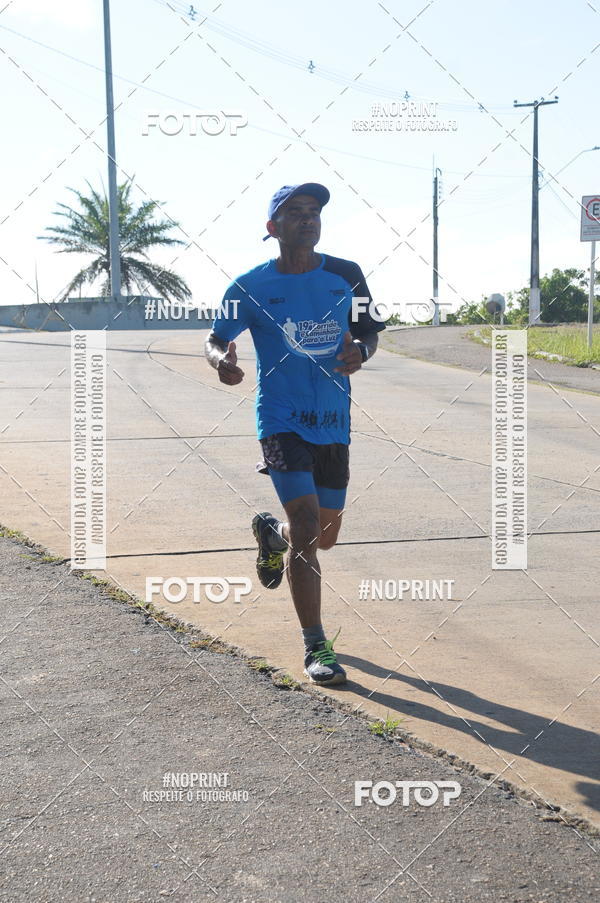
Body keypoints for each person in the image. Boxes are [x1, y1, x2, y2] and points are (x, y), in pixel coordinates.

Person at [205, 183, 385, 685]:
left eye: (314, 212)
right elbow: (216, 337)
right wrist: (222, 360)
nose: (308, 219)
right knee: (307, 525)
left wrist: (361, 353)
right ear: (273, 229)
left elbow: (369, 334)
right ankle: (316, 647)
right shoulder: (250, 287)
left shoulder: (346, 275)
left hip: (333, 421)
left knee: (323, 536)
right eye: (295, 213)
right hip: (281, 419)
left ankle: (271, 535)